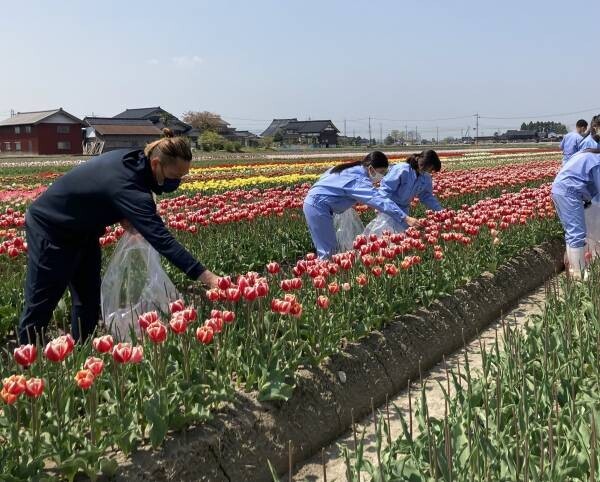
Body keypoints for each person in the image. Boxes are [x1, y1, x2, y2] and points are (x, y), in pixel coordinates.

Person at [18, 129, 220, 345]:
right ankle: (28, 364)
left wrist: (122, 212)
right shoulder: (129, 185)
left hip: (84, 229)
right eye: (174, 177)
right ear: (156, 164)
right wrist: (208, 278)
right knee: (42, 301)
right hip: (51, 227)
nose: (177, 183)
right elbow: (161, 239)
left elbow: (109, 188)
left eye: (182, 177)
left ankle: (82, 352)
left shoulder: (137, 159)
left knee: (88, 298)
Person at [303, 151, 410, 258]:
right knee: (328, 251)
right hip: (318, 207)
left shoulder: (351, 169)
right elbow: (377, 200)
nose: (381, 176)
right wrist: (404, 217)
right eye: (381, 172)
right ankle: (323, 271)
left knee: (329, 247)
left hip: (317, 204)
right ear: (371, 168)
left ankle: (326, 268)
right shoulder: (358, 180)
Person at [551, 150, 600, 279]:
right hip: (570, 193)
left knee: (573, 232)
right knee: (577, 233)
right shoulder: (597, 161)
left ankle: (574, 270)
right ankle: (579, 274)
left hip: (562, 190)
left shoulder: (589, 154)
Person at [378, 150, 443, 231]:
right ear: (427, 165)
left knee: (401, 236)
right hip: (389, 207)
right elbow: (386, 190)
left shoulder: (425, 177)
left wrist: (440, 211)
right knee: (386, 233)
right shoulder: (402, 169)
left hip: (404, 210)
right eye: (432, 169)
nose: (431, 172)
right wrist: (380, 205)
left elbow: (426, 196)